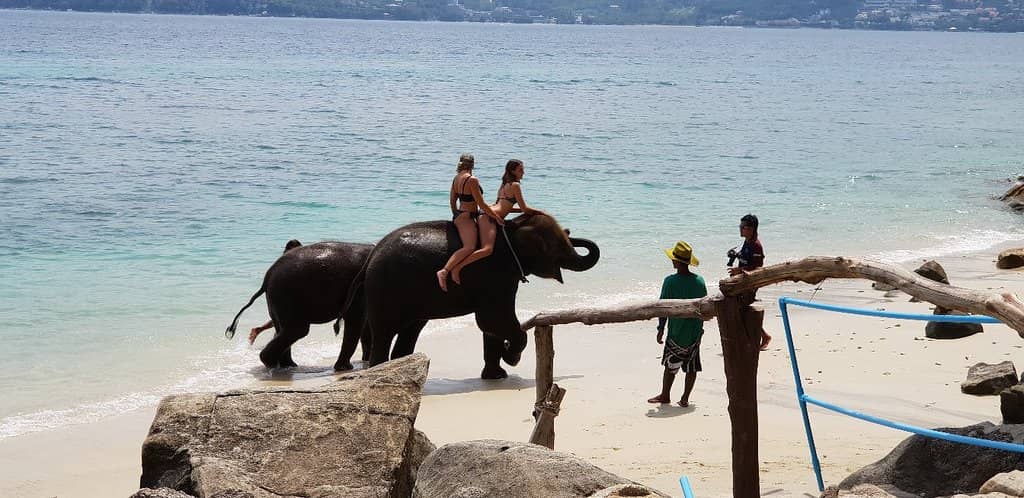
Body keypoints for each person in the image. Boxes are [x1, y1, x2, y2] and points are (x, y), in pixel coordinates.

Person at [449, 159, 542, 285]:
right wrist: (542, 213)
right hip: (489, 217)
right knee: (487, 249)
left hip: (485, 213)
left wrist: (519, 210)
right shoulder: (515, 185)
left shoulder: (504, 184)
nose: (523, 172)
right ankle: (457, 268)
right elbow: (525, 208)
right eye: (521, 170)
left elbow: (505, 206)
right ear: (513, 171)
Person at [648, 240, 708, 408]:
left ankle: (665, 394)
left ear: (676, 261)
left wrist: (660, 328)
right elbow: (704, 307)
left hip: (676, 331)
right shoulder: (700, 281)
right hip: (695, 331)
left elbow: (663, 308)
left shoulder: (669, 282)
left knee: (670, 365)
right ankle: (685, 398)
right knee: (692, 366)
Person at [436, 153, 503, 292]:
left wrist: (456, 214)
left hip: (461, 215)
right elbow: (481, 204)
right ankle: (445, 271)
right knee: (469, 247)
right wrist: (495, 216)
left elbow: (452, 200)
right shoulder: (472, 180)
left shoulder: (456, 178)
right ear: (472, 165)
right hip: (466, 218)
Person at [727, 214, 772, 350]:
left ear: (752, 229)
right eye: (740, 227)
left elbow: (758, 267)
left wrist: (740, 270)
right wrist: (736, 255)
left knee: (743, 310)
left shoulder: (756, 245)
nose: (740, 229)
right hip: (742, 281)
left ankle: (764, 336)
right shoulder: (747, 242)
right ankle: (753, 337)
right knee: (739, 309)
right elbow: (746, 257)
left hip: (751, 283)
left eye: (743, 227)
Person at [248, 239, 303, 345]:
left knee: (282, 321)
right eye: (297, 249)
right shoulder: (287, 260)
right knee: (284, 321)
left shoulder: (288, 259)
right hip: (281, 292)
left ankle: (263, 334)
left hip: (282, 291)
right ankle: (272, 346)